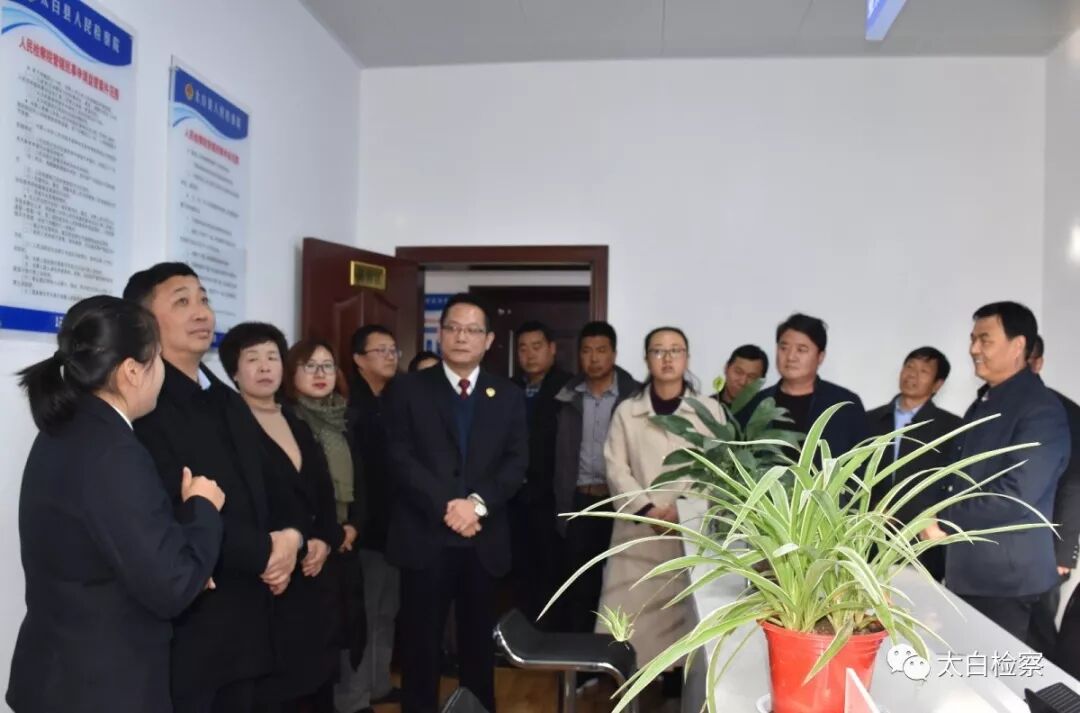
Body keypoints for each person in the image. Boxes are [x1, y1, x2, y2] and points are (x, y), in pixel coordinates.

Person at [6, 295, 225, 713]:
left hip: (57, 678)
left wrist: (185, 561)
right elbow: (172, 587)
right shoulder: (114, 452)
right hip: (102, 687)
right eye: (157, 359)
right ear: (131, 372)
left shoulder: (65, 429)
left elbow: (116, 549)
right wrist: (203, 508)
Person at [124, 263, 305, 713]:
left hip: (251, 614)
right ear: (145, 320)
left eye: (203, 299)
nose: (201, 312)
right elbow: (172, 507)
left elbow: (273, 481)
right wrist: (267, 552)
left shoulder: (226, 399)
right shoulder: (145, 407)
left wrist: (291, 537)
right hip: (194, 624)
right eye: (182, 301)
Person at [385, 293, 527, 713]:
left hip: (483, 540)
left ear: (488, 340)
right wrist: (448, 506)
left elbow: (517, 462)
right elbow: (398, 457)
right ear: (440, 334)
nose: (462, 337)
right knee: (420, 649)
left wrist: (476, 506)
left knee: (478, 650)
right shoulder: (407, 388)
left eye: (472, 330)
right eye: (453, 328)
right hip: (424, 536)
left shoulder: (508, 394)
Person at [220, 323, 346, 713]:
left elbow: (322, 493)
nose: (264, 367)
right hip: (269, 575)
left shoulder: (296, 421)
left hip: (311, 572)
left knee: (318, 678)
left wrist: (324, 539)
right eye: (252, 359)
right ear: (234, 372)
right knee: (278, 689)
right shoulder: (227, 426)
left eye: (272, 357)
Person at [928, 302, 1069, 645]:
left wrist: (944, 521)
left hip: (1009, 585)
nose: (974, 349)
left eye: (985, 340)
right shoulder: (985, 403)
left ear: (1018, 345)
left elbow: (1015, 496)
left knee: (1006, 678)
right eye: (972, 339)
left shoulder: (1040, 409)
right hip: (972, 576)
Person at [597, 326, 723, 691]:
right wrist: (647, 507)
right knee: (634, 624)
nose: (667, 358)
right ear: (646, 358)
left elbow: (717, 470)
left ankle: (679, 690)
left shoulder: (709, 411)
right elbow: (615, 467)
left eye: (675, 350)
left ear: (687, 358)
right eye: (658, 351)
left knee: (685, 627)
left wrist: (680, 509)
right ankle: (633, 690)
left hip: (689, 532)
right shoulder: (628, 411)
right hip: (638, 531)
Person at [285, 337, 368, 706]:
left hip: (345, 541)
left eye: (328, 366)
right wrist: (328, 532)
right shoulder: (287, 420)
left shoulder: (345, 419)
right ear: (292, 373)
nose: (321, 374)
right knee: (311, 641)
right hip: (310, 544)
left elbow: (364, 481)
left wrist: (354, 525)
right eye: (310, 366)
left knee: (343, 633)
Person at [551, 321, 640, 633]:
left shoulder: (634, 396)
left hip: (619, 505)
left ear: (613, 354)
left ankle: (617, 650)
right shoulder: (566, 397)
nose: (594, 358)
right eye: (587, 351)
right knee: (580, 588)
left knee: (621, 586)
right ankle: (581, 657)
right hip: (580, 502)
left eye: (601, 350)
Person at [336, 325, 402, 713]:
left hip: (395, 529)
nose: (390, 356)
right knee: (359, 617)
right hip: (362, 530)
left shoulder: (396, 399)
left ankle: (378, 685)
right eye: (381, 350)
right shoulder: (349, 407)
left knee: (385, 612)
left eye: (393, 349)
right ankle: (353, 698)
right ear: (359, 359)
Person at [865, 346, 961, 581]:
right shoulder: (870, 420)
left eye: (924, 371)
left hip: (922, 542)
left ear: (937, 384)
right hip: (870, 537)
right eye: (909, 366)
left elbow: (951, 483)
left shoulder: (951, 428)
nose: (912, 375)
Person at [510, 320, 572, 625]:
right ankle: (520, 635)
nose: (530, 354)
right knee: (518, 573)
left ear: (552, 349)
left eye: (537, 347)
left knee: (552, 572)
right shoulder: (508, 388)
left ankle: (550, 636)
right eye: (523, 348)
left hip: (551, 497)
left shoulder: (568, 388)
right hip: (512, 498)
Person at [1026, 335, 1080, 657]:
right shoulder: (987, 405)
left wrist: (1063, 552)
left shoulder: (1064, 411)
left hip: (1043, 547)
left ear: (1038, 363)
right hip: (992, 549)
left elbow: (1075, 483)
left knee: (1038, 633)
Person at [743, 313, 867, 454]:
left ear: (820, 357)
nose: (790, 357)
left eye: (801, 350)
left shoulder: (845, 404)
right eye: (784, 348)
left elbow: (864, 459)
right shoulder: (756, 404)